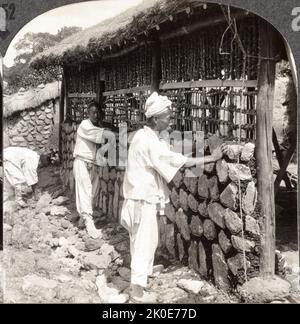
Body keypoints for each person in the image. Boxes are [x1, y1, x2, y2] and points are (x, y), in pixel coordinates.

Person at [121, 91, 228, 303]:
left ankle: (138, 282)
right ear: (155, 119)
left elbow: (168, 155)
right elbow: (177, 161)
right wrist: (211, 157)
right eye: (167, 117)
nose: (171, 120)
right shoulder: (149, 142)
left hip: (136, 198)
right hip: (142, 200)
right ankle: (137, 292)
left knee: (139, 242)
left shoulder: (143, 136)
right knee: (145, 243)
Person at [73, 101, 114, 239]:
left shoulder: (97, 127)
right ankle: (89, 223)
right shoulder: (85, 125)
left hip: (93, 163)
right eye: (93, 112)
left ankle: (82, 219)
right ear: (88, 113)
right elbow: (106, 135)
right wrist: (120, 134)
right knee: (84, 191)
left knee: (93, 193)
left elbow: (105, 141)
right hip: (82, 162)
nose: (96, 115)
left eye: (98, 112)